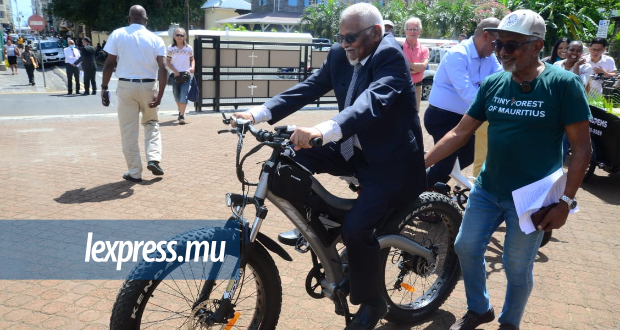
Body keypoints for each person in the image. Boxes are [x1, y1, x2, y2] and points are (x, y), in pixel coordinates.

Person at [231, 3, 427, 329]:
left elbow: (371, 103)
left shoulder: (390, 56)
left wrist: (322, 131)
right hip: (352, 148)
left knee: (356, 230)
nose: (344, 43)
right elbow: (309, 87)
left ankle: (372, 302)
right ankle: (317, 224)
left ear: (376, 34)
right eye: (340, 36)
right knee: (286, 159)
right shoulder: (340, 54)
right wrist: (258, 113)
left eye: (350, 37)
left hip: (388, 162)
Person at [425, 10, 592, 330]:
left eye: (512, 45)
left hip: (533, 197)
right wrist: (421, 164)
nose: (502, 51)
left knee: (516, 266)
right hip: (488, 188)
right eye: (499, 43)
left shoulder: (563, 85)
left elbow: (581, 149)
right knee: (465, 246)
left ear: (537, 46)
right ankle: (479, 308)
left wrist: (566, 203)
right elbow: (460, 133)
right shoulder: (493, 84)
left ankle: (509, 323)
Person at [425, 18, 502, 186]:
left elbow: (503, 81)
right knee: (445, 164)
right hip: (440, 118)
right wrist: (495, 110)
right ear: (486, 36)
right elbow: (467, 93)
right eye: (496, 43)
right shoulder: (458, 54)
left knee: (468, 155)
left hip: (462, 119)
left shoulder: (490, 58)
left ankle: (432, 188)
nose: (498, 49)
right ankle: (412, 196)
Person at [101, 4, 167, 182]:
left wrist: (104, 87)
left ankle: (135, 172)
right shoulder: (156, 39)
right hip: (148, 86)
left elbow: (109, 64)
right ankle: (153, 158)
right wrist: (160, 95)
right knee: (151, 123)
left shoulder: (118, 34)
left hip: (126, 87)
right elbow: (163, 69)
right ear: (146, 20)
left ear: (129, 19)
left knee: (129, 131)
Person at [166, 27, 195, 125]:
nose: (179, 37)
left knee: (184, 95)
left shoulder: (188, 48)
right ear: (174, 36)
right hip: (175, 76)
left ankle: (182, 115)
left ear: (185, 36)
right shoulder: (171, 48)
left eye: (181, 35)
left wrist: (192, 67)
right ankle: (180, 110)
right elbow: (168, 62)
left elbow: (192, 59)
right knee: (176, 96)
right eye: (177, 35)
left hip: (186, 74)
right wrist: (174, 71)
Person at [402, 17, 429, 112]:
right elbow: (398, 68)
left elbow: (423, 67)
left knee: (414, 115)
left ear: (420, 31)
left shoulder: (424, 49)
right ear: (405, 31)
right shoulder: (399, 47)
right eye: (410, 29)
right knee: (399, 115)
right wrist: (416, 69)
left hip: (417, 87)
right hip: (401, 86)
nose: (412, 32)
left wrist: (406, 64)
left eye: (415, 29)